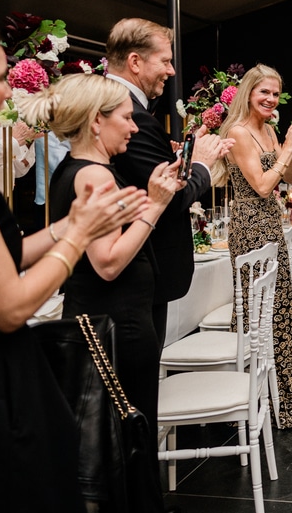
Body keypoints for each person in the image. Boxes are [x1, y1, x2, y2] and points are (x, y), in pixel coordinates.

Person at [0, 21, 148, 513]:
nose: (7, 93)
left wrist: (63, 228)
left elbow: (3, 255)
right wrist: (76, 237)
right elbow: (9, 306)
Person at [21, 73, 185, 439]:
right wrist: (156, 206)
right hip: (115, 327)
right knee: (126, 442)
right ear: (97, 121)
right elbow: (108, 263)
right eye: (125, 118)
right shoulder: (97, 176)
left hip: (104, 321)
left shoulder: (75, 169)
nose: (133, 128)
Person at [107, 18, 232, 346]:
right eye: (164, 60)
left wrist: (185, 153)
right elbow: (170, 199)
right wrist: (203, 164)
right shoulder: (134, 116)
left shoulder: (130, 111)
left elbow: (149, 176)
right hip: (142, 269)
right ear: (135, 61)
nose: (172, 70)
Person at [213, 64, 292, 428]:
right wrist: (285, 151)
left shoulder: (268, 129)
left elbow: (289, 176)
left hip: (271, 224)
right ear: (248, 93)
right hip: (251, 228)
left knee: (279, 309)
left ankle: (279, 397)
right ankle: (250, 401)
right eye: (263, 92)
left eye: (275, 93)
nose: (270, 99)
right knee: (258, 316)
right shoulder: (238, 133)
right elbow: (263, 186)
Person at [0, 120, 38, 192]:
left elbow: (19, 169)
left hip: (3, 196)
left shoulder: (7, 114)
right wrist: (12, 143)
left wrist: (28, 139)